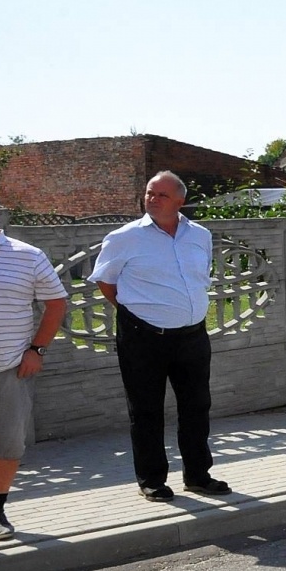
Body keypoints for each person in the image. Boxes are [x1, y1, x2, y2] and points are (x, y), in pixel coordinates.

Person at [92, 171, 229, 501]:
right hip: (143, 337)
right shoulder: (124, 237)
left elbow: (199, 277)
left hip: (193, 336)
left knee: (197, 406)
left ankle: (198, 476)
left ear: (180, 201)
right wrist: (139, 312)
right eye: (149, 193)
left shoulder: (200, 235)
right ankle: (152, 480)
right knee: (146, 410)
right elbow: (106, 281)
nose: (152, 199)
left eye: (161, 195)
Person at [0, 189, 68, 540]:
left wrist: (37, 350)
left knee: (5, 444)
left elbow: (56, 303)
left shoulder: (27, 256)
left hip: (7, 370)